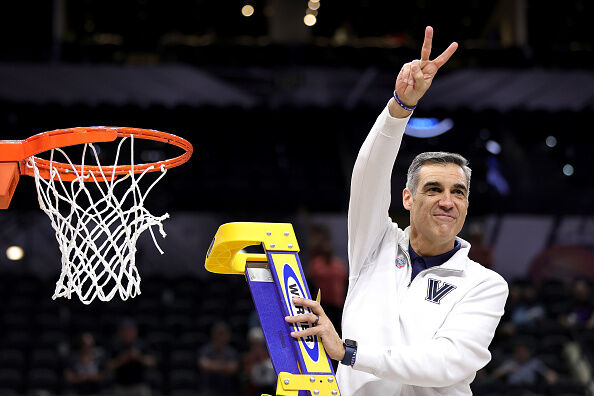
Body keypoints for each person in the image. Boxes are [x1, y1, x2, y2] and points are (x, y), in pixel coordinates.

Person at [285, 26, 508, 395]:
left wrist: (350, 353)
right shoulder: (375, 245)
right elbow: (368, 176)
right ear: (407, 198)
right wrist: (399, 110)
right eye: (433, 189)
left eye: (458, 192)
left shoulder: (485, 284)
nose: (447, 201)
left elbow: (446, 364)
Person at [106, 319, 156, 396]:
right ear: (121, 332)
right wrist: (122, 359)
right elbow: (109, 367)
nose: (129, 333)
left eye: (131, 330)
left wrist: (138, 357)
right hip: (121, 386)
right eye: (126, 331)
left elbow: (152, 363)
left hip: (139, 386)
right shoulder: (115, 346)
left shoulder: (142, 345)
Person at [198, 321, 239, 396]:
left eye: (223, 334)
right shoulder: (206, 350)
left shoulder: (231, 352)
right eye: (219, 334)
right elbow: (204, 365)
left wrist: (213, 365)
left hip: (227, 390)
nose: (221, 337)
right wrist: (224, 366)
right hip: (209, 390)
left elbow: (233, 368)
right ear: (213, 335)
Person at [491, 342, 558, 386]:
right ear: (515, 354)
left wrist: (550, 377)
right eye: (519, 353)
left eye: (524, 352)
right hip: (512, 389)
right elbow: (495, 374)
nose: (522, 355)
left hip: (530, 388)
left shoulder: (534, 363)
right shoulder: (510, 363)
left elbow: (549, 373)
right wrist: (507, 371)